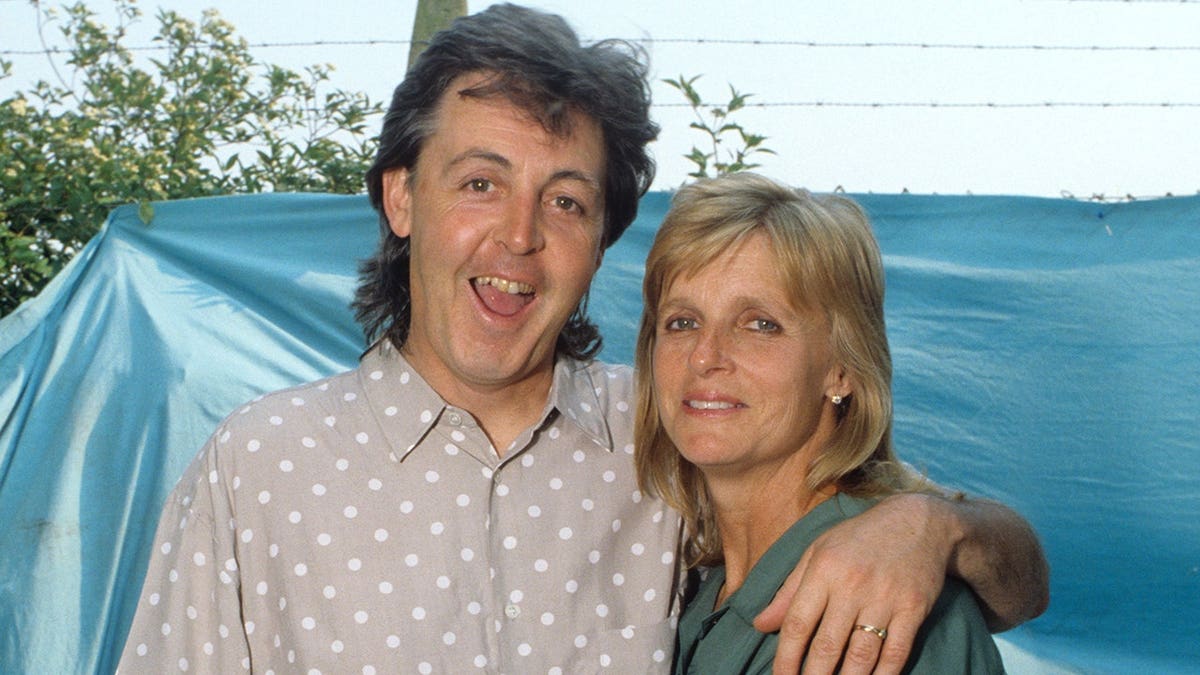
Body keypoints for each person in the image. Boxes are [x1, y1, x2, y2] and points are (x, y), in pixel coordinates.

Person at [118, 4, 1047, 673]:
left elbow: (995, 570)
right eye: (480, 183)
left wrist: (935, 527)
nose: (518, 237)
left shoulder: (666, 437)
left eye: (564, 200)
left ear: (600, 236)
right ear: (402, 197)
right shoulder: (260, 466)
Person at [635, 173, 1007, 673]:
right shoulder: (694, 592)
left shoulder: (891, 607)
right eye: (682, 322)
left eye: (759, 324)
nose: (705, 357)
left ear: (844, 368)